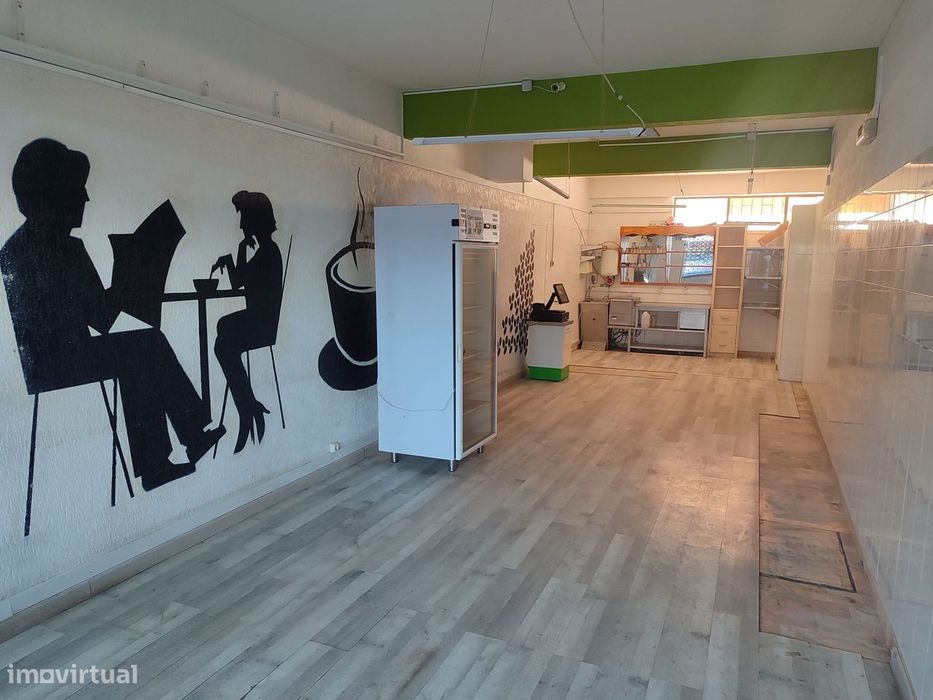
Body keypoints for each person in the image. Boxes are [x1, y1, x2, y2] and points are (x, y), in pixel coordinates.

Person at [0, 138, 225, 491]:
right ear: (54, 193)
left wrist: (128, 273)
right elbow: (100, 318)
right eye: (78, 189)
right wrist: (133, 269)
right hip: (54, 363)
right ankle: (177, 446)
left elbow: (98, 317)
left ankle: (172, 451)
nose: (86, 198)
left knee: (142, 347)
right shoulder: (51, 250)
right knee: (143, 347)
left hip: (64, 356)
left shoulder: (26, 247)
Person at [212, 191, 283, 453]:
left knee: (222, 337)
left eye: (244, 218)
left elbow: (237, 281)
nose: (241, 225)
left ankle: (246, 407)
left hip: (263, 325)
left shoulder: (269, 253)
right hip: (258, 321)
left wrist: (237, 255)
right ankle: (248, 405)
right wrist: (240, 251)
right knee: (222, 333)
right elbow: (240, 280)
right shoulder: (265, 251)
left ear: (256, 220)